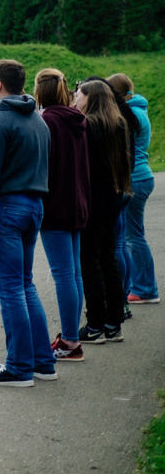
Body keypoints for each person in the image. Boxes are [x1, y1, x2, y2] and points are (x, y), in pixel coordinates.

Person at [0, 59, 55, 387]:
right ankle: (43, 362)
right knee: (25, 284)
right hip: (34, 206)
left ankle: (18, 366)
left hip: (6, 209)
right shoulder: (38, 120)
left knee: (10, 289)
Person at [33, 68, 89, 362]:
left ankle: (70, 340)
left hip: (55, 205)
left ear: (41, 91)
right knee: (74, 274)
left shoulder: (47, 122)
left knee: (64, 274)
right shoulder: (77, 119)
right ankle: (72, 335)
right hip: (77, 202)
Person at [74, 78, 132, 345]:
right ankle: (114, 322)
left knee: (90, 262)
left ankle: (95, 324)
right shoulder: (118, 123)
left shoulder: (88, 125)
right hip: (114, 195)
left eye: (79, 94)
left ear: (91, 97)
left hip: (93, 199)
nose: (75, 97)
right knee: (108, 258)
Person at [107, 73, 156, 306]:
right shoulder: (139, 109)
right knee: (134, 235)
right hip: (142, 176)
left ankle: (145, 288)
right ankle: (143, 286)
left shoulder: (130, 114)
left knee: (132, 237)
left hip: (134, 179)